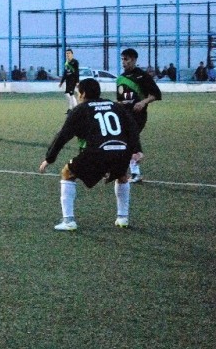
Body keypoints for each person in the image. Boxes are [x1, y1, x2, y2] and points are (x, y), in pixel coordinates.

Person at [39, 78, 142, 231]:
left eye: (78, 93)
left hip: (98, 151)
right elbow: (132, 127)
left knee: (67, 173)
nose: (78, 96)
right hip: (121, 150)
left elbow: (63, 135)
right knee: (122, 176)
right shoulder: (115, 106)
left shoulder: (81, 109)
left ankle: (68, 221)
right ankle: (122, 217)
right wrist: (136, 150)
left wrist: (49, 158)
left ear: (83, 93)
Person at [116, 48, 162, 183]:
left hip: (138, 116)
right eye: (123, 59)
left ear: (134, 60)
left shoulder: (142, 76)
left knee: (129, 140)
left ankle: (134, 170)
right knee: (126, 142)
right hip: (124, 115)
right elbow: (121, 99)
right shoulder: (121, 78)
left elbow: (156, 94)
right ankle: (131, 172)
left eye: (127, 59)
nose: (124, 62)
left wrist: (143, 102)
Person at [58, 48, 80, 113]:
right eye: (67, 53)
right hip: (68, 80)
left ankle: (71, 108)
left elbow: (77, 72)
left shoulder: (75, 62)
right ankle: (74, 108)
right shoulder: (66, 63)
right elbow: (65, 73)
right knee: (68, 94)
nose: (67, 54)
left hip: (73, 80)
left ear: (72, 54)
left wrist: (77, 81)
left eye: (69, 53)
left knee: (70, 93)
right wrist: (61, 82)